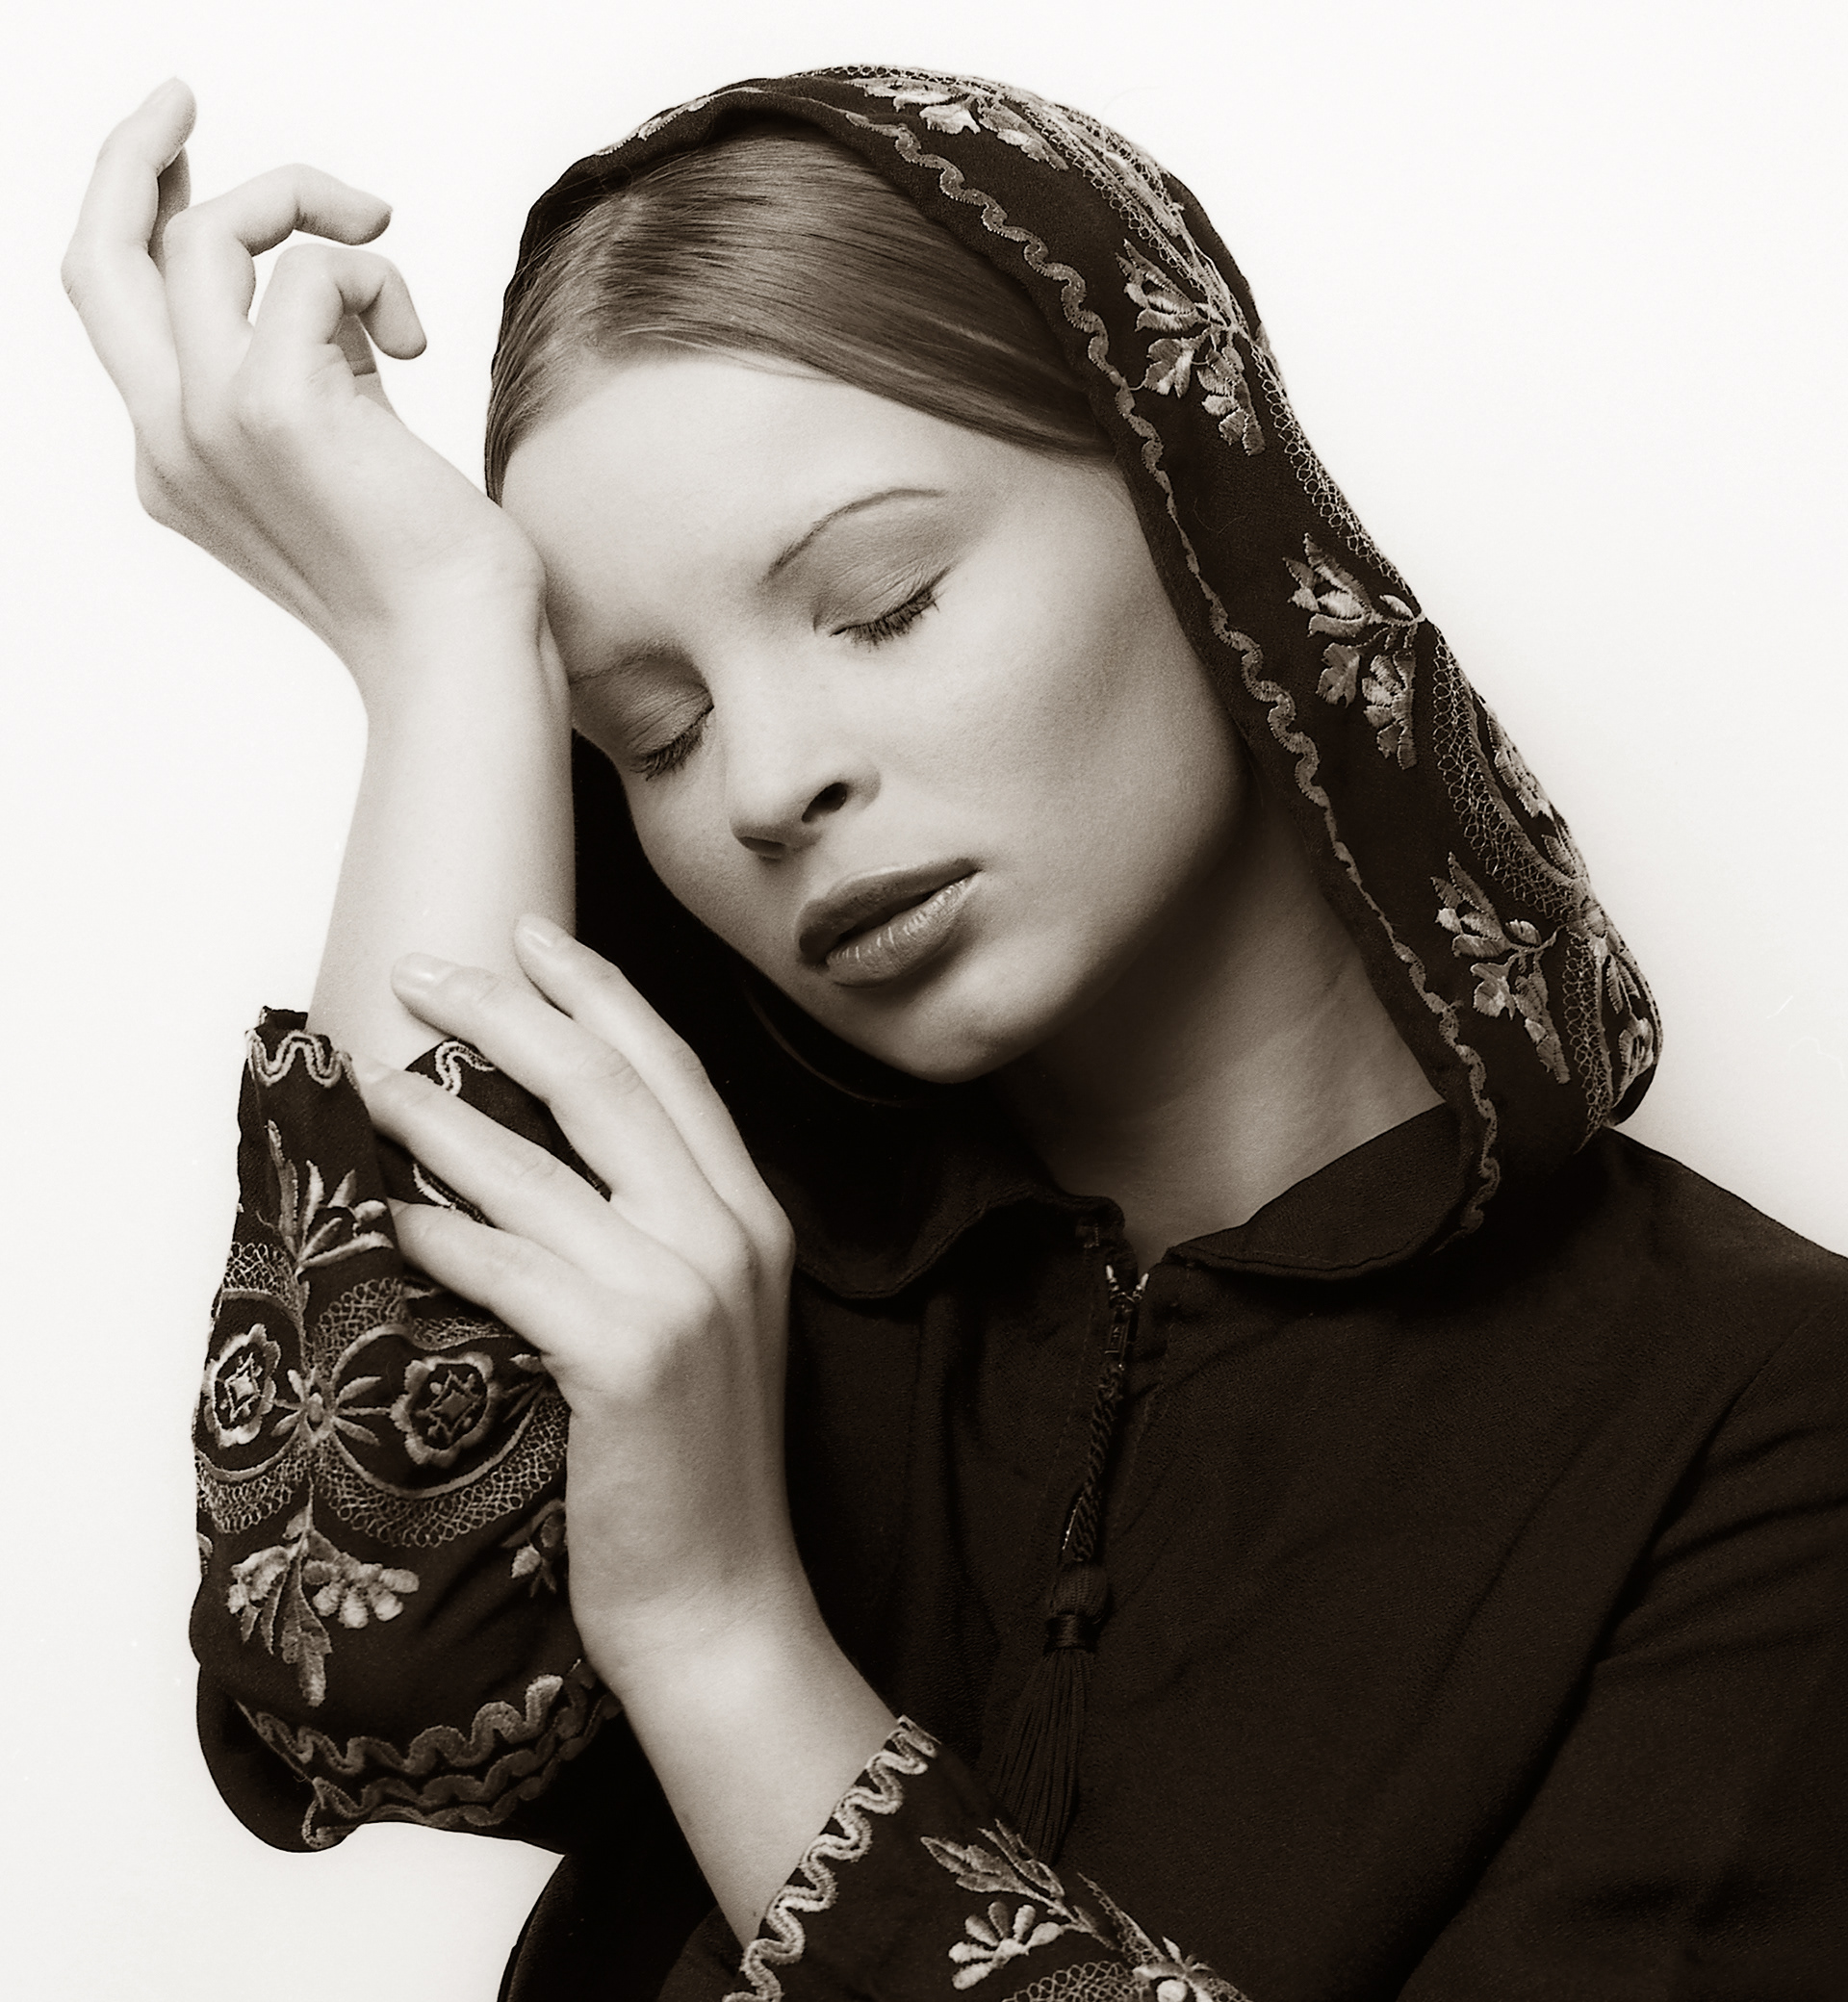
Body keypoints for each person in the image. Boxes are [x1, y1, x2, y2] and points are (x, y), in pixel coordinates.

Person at [64, 64, 1848, 2002]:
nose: (765, 782)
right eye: (647, 732)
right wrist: (439, 647)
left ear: (1199, 499)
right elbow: (344, 1668)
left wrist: (729, 1635)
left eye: (882, 604)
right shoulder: (728, 1289)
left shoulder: (1760, 1422)